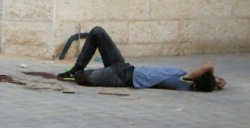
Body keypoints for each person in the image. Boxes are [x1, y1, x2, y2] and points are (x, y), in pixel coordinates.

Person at [57, 26, 226, 92]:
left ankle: (77, 73)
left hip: (121, 78)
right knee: (97, 32)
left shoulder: (184, 82)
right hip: (124, 67)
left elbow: (208, 65)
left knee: (82, 79)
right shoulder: (186, 79)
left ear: (196, 80)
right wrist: (216, 84)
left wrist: (213, 77)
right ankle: (75, 69)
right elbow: (204, 73)